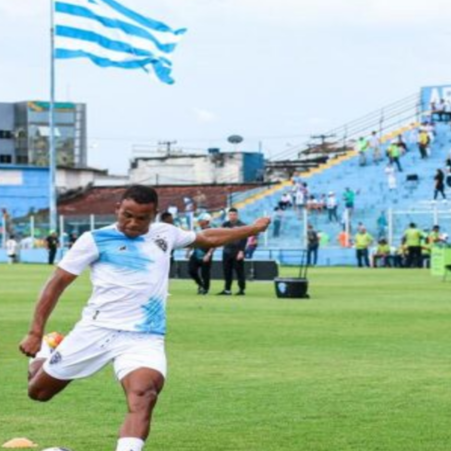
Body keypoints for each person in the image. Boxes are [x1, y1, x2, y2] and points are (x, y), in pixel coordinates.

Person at [18, 185, 270, 451]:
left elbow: (207, 237)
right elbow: (56, 284)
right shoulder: (94, 239)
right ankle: (47, 349)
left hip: (144, 336)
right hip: (96, 329)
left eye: (142, 218)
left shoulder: (166, 233)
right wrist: (35, 332)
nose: (133, 223)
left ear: (154, 215)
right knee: (39, 392)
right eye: (127, 215)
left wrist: (251, 229)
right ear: (117, 209)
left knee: (144, 394)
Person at [219, 208, 248, 296]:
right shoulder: (225, 224)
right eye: (230, 215)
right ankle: (227, 289)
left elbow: (244, 239)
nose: (232, 216)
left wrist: (241, 251)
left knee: (239, 271)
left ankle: (241, 289)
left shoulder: (242, 225)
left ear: (237, 215)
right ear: (228, 215)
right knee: (226, 271)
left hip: (237, 251)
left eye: (234, 214)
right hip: (227, 251)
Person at [188, 213, 214, 295]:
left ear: (206, 221)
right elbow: (193, 240)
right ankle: (200, 284)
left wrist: (209, 254)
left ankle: (205, 289)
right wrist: (188, 250)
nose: (199, 222)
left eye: (200, 220)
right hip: (196, 253)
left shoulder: (212, 231)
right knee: (191, 270)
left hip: (206, 254)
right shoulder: (197, 230)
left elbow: (214, 244)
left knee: (205, 273)